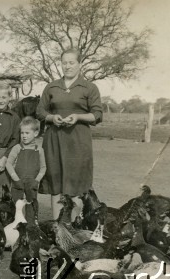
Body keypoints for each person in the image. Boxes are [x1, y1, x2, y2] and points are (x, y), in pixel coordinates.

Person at [36, 48, 103, 219]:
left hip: (78, 142)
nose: (68, 66)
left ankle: (74, 228)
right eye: (64, 63)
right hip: (54, 141)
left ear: (80, 64)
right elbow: (40, 111)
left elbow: (97, 114)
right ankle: (57, 229)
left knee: (76, 185)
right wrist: (52, 117)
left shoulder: (89, 87)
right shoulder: (51, 87)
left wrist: (78, 116)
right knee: (56, 184)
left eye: (71, 62)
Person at [6, 117, 46, 224]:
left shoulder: (39, 150)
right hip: (17, 183)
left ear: (36, 133)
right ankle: (15, 229)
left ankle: (31, 228)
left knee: (31, 207)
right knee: (15, 207)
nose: (24, 136)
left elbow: (43, 168)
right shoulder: (17, 148)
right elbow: (8, 164)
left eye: (27, 133)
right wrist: (16, 179)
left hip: (32, 184)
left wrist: (36, 181)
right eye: (22, 133)